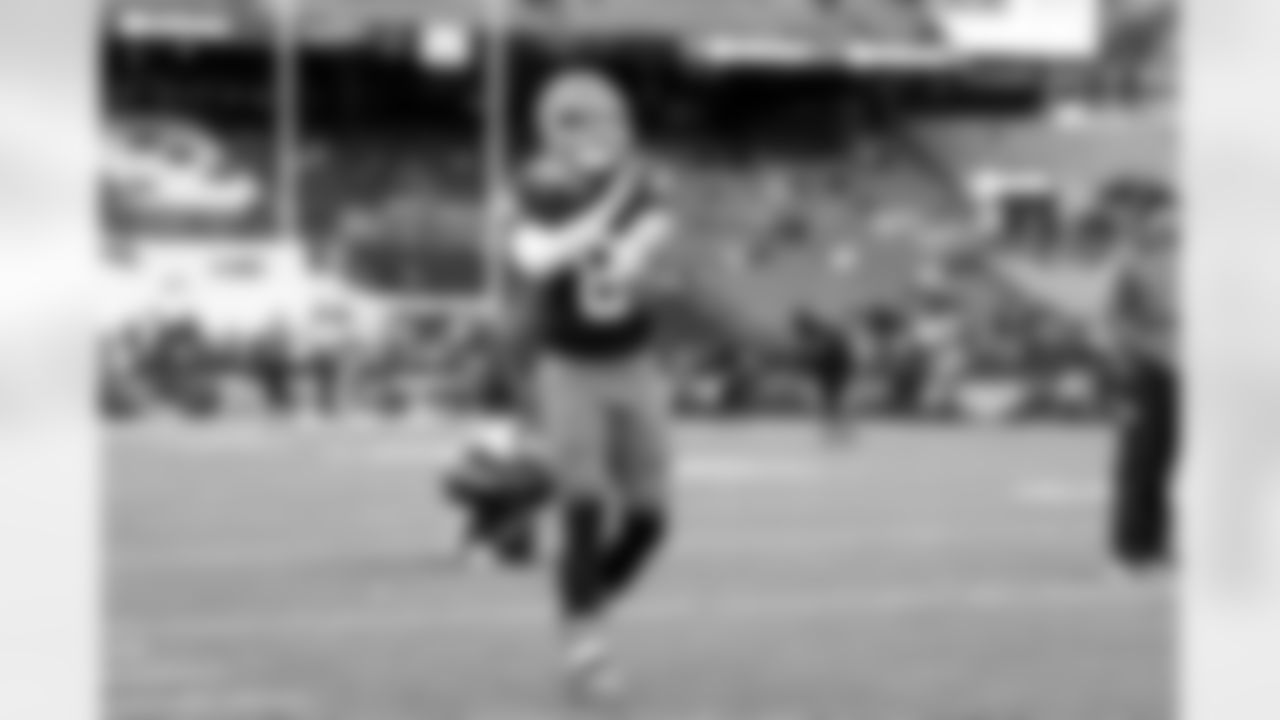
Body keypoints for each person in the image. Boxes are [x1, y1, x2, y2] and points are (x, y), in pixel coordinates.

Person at [501, 68, 679, 699]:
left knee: (651, 521)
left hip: (635, 364)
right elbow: (536, 257)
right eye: (576, 121)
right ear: (551, 129)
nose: (593, 133)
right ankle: (586, 644)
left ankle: (583, 605)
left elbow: (648, 247)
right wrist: (604, 214)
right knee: (582, 504)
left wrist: (635, 250)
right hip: (570, 365)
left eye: (602, 119)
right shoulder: (538, 185)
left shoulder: (644, 185)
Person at [440, 420, 555, 568]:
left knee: (505, 510)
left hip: (516, 486)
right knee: (498, 508)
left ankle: (498, 544)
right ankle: (490, 544)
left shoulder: (523, 459)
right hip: (502, 487)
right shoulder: (495, 448)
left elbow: (540, 480)